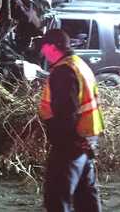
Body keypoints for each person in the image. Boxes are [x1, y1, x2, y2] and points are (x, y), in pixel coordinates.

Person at [38, 29, 105, 212]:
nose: (43, 52)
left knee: (57, 195)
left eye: (44, 47)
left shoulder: (63, 71)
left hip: (71, 141)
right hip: (87, 137)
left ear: (52, 47)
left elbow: (66, 112)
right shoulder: (78, 64)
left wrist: (62, 141)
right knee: (85, 193)